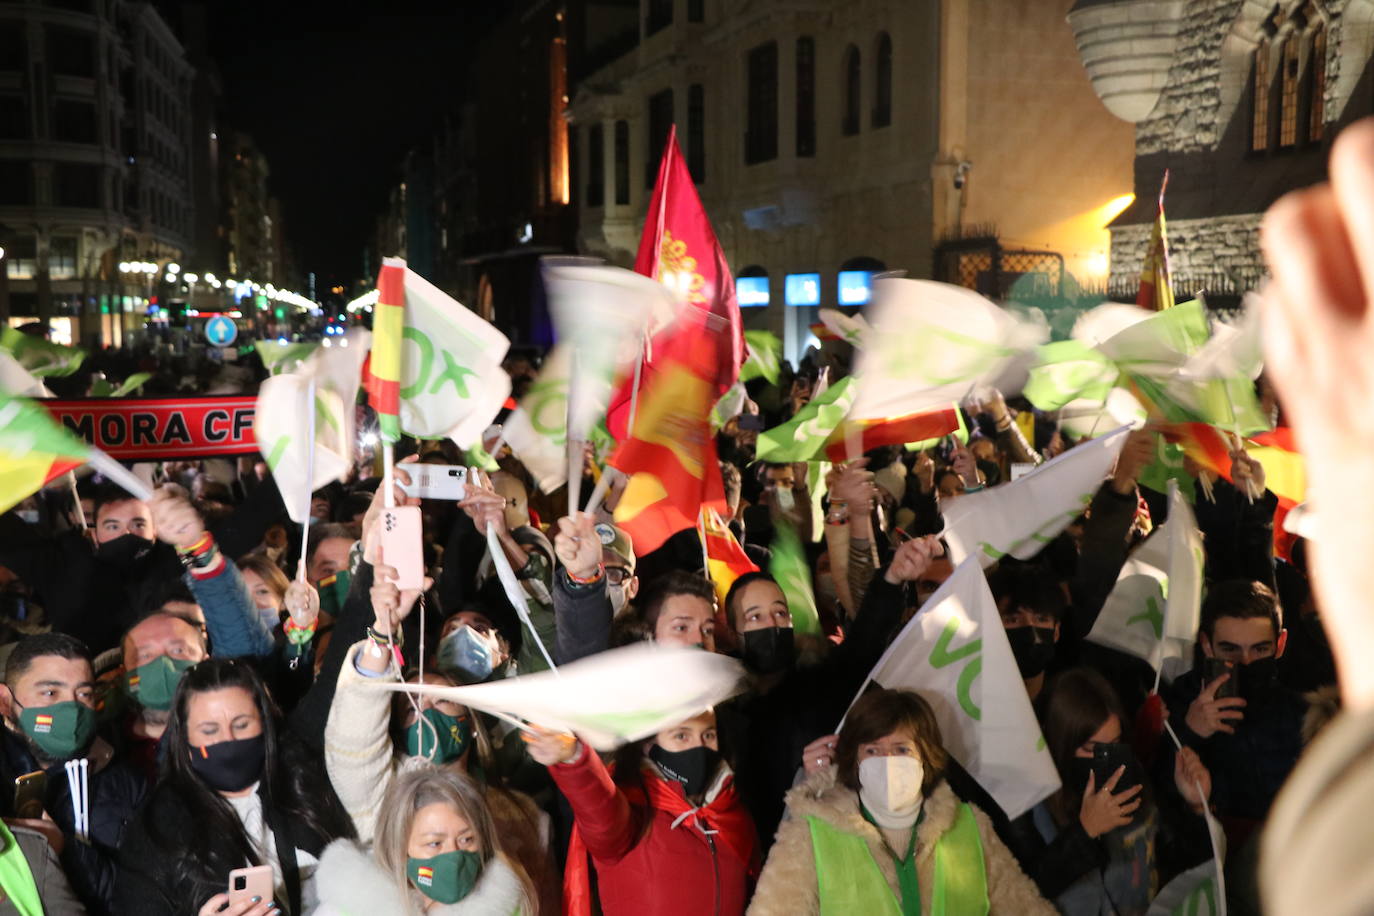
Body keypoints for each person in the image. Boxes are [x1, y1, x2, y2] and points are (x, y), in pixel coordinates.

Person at [323, 561, 557, 911]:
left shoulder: (522, 814)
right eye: (412, 705)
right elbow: (352, 738)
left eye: (443, 699)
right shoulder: (380, 795)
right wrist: (381, 637)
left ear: (470, 720)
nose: (426, 709)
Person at [748, 688, 1053, 914]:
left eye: (902, 750)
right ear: (853, 759)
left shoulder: (970, 826)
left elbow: (1026, 909)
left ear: (926, 756)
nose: (888, 762)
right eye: (873, 751)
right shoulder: (809, 834)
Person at [115, 658, 353, 915]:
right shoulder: (156, 833)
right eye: (209, 731)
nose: (227, 740)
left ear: (264, 723)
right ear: (184, 741)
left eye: (241, 725)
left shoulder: (305, 780)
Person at [1007, 668, 1214, 914]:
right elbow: (1019, 892)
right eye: (1091, 748)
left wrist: (1196, 806)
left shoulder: (1130, 774)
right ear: (1059, 743)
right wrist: (1085, 832)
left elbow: (1183, 866)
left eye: (1113, 745)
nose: (1104, 758)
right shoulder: (1026, 802)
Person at [524, 709, 758, 916]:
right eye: (681, 735)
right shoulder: (629, 811)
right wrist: (573, 759)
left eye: (708, 735)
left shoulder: (730, 811)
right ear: (647, 744)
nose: (699, 746)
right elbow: (598, 812)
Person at [0, 633, 145, 915]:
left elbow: (139, 894)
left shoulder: (124, 780)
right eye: (50, 693)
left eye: (84, 694)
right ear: (5, 701)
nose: (71, 709)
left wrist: (65, 849)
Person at [1163, 579, 1304, 846]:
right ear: (1207, 645)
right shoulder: (1178, 700)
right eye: (1230, 649)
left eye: (1260, 649)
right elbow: (1159, 800)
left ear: (1280, 643)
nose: (1246, 662)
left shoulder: (1299, 707)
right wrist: (1190, 733)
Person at [312, 767, 537, 915]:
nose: (454, 856)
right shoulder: (349, 906)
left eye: (467, 839)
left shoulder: (506, 905)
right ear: (399, 847)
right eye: (435, 843)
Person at [237, 555, 291, 633]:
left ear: (283, 600)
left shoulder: (295, 643)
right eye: (241, 593)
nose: (250, 603)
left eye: (262, 591)